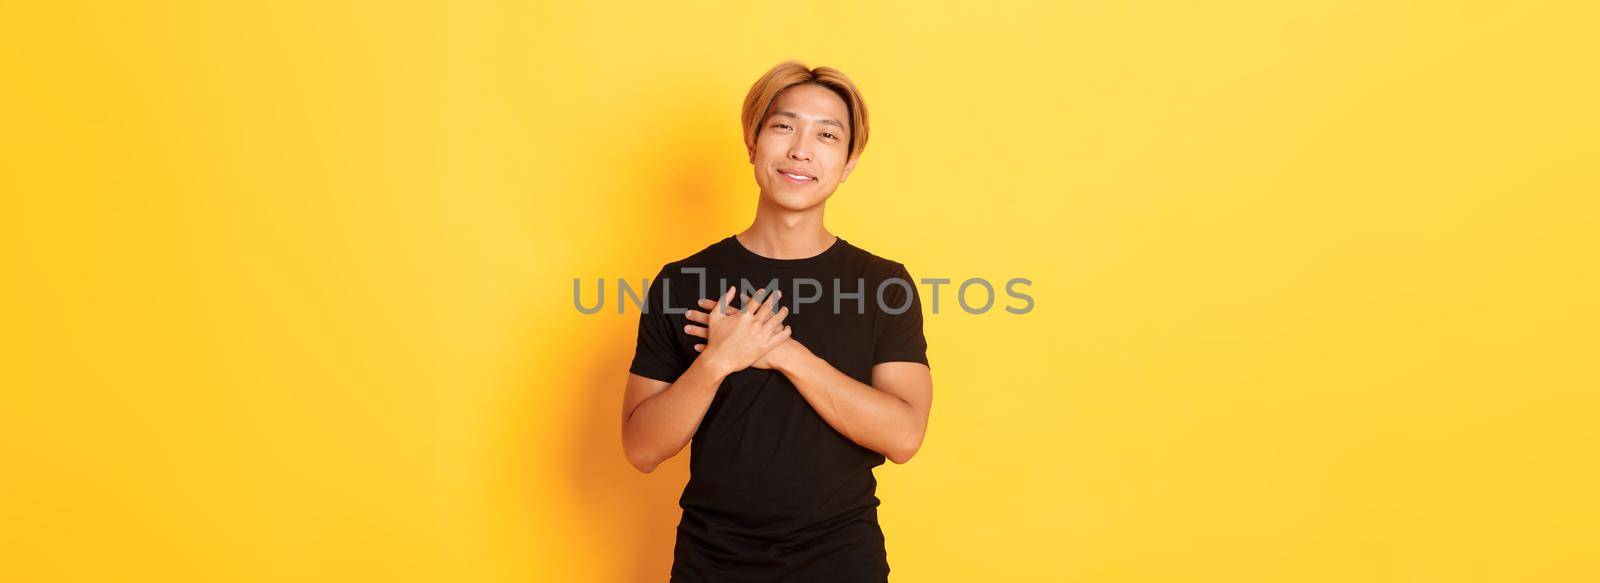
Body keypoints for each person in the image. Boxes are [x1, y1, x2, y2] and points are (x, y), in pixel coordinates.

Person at [620, 61, 934, 582]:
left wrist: (783, 353)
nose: (801, 150)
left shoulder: (883, 284)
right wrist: (718, 361)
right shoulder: (683, 281)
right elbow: (641, 448)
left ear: (849, 162)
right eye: (784, 126)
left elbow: (903, 438)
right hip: (711, 564)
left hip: (842, 562)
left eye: (827, 135)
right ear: (753, 142)